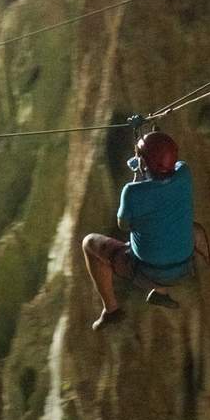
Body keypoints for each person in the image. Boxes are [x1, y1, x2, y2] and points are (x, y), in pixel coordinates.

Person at [81, 130, 194, 331]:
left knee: (89, 243)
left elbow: (123, 225)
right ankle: (160, 293)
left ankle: (111, 310)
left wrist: (137, 177)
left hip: (146, 271)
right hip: (184, 267)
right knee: (163, 231)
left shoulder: (132, 192)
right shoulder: (184, 175)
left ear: (143, 163)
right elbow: (169, 165)